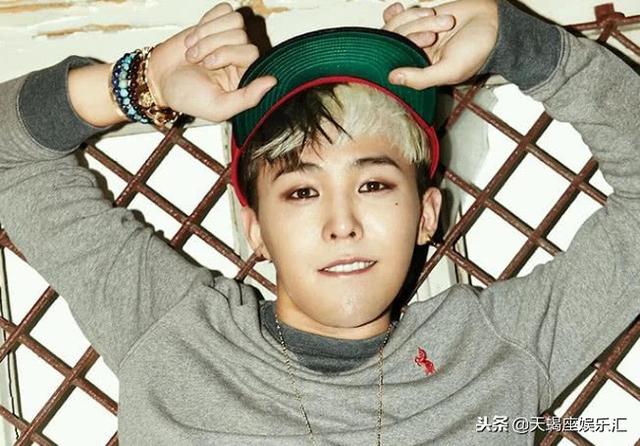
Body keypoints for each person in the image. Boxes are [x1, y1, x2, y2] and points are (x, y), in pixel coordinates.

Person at [0, 0, 637, 444]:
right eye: (302, 191)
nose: (342, 223)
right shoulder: (173, 334)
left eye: (373, 184)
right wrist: (145, 83)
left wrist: (522, 46)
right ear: (255, 230)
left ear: (427, 214)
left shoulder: (494, 354)